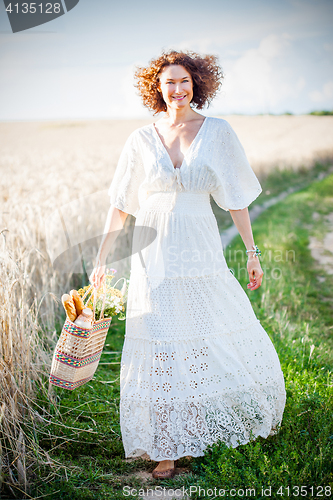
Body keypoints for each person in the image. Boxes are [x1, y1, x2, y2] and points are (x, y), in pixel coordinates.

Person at [89, 49, 286, 480]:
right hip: (152, 254)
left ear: (196, 83)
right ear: (156, 89)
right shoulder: (140, 138)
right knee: (158, 340)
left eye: (184, 81)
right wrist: (102, 258)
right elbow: (120, 205)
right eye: (168, 83)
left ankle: (194, 429)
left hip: (198, 250)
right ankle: (166, 446)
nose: (177, 90)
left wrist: (252, 253)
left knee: (199, 335)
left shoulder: (217, 132)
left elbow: (235, 198)